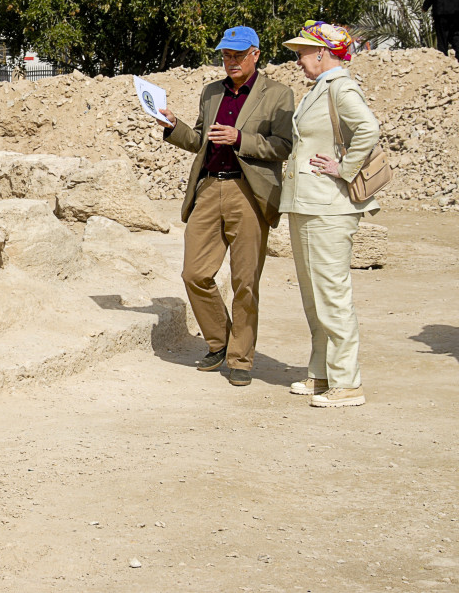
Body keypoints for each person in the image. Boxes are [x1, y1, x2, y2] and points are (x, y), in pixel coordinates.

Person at [157, 26, 294, 387]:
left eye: (237, 55)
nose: (230, 61)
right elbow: (200, 140)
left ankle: (241, 358)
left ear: (256, 55)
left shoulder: (278, 94)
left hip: (248, 191)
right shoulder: (211, 92)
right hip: (208, 188)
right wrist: (174, 126)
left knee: (245, 281)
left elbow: (282, 146)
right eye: (225, 55)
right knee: (194, 274)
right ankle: (219, 341)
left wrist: (241, 139)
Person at [280, 21, 381, 408]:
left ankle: (347, 382)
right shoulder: (320, 89)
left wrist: (346, 167)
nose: (299, 59)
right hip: (308, 203)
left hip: (329, 207)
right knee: (314, 295)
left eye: (303, 52)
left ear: (323, 52)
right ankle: (321, 373)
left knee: (332, 294)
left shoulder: (341, 87)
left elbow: (368, 129)